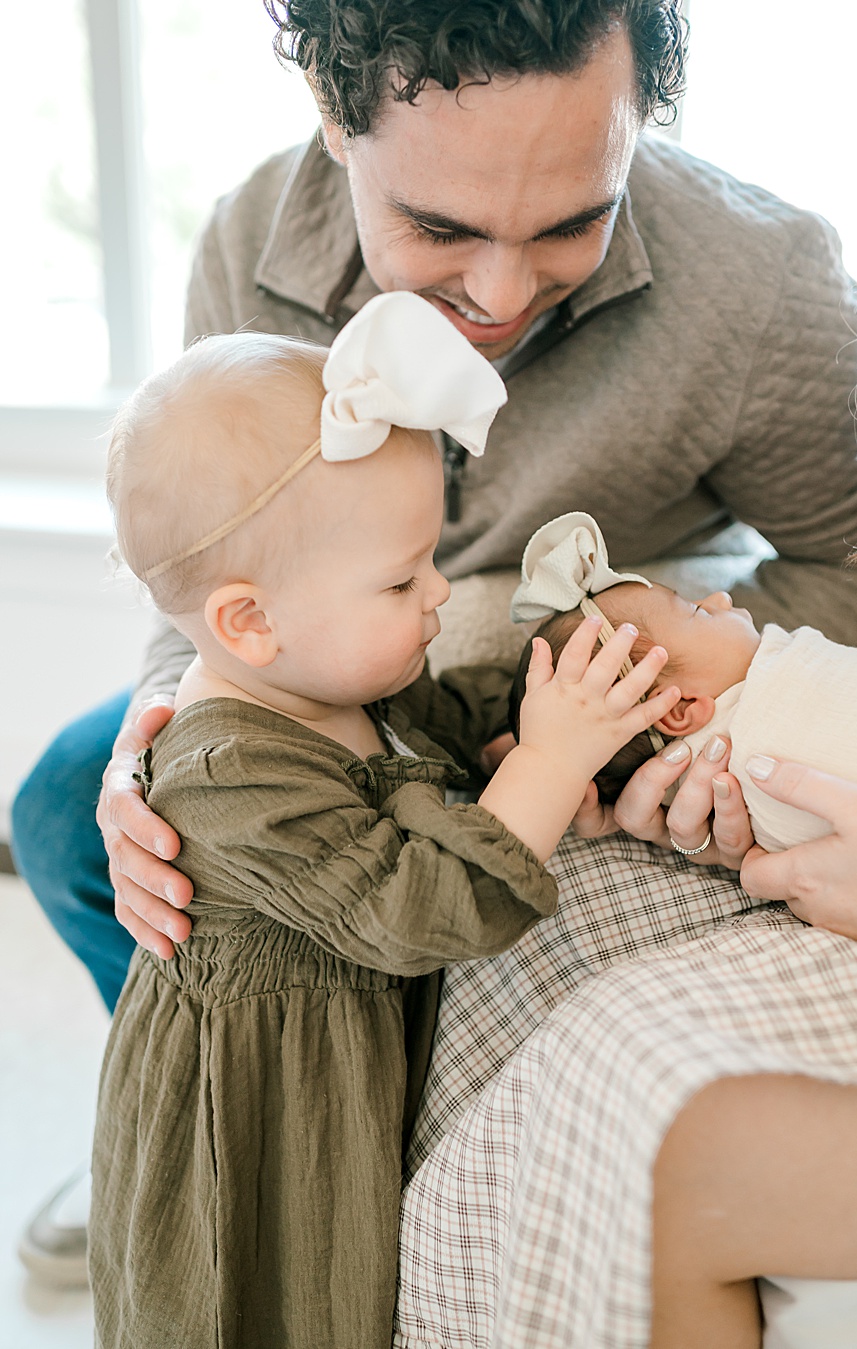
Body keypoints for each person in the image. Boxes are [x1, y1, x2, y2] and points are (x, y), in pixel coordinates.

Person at [10, 0, 857, 1285]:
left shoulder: (762, 283)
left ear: (640, 119)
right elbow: (203, 583)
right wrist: (160, 724)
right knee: (57, 807)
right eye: (438, 228)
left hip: (555, 675)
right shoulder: (247, 240)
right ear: (332, 118)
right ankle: (204, 1143)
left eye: (570, 225)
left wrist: (676, 659)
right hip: (318, 678)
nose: (498, 293)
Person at [93, 298, 687, 1347]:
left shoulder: (342, 683)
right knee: (283, 1302)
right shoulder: (233, 771)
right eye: (403, 578)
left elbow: (447, 731)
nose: (439, 593)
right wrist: (549, 761)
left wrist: (544, 703)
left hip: (335, 1053)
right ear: (249, 622)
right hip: (261, 1118)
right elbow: (420, 907)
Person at [505, 511, 857, 849]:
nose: (720, 598)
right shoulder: (774, 694)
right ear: (681, 708)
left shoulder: (696, 800)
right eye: (697, 611)